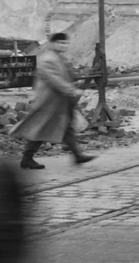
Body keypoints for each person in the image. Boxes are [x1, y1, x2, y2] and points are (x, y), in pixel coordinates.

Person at [10, 33, 94, 170]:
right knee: (41, 128)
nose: (63, 45)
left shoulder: (59, 58)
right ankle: (27, 158)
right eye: (60, 43)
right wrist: (72, 91)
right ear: (51, 43)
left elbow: (65, 76)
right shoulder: (47, 59)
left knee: (65, 127)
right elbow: (55, 80)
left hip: (58, 101)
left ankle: (77, 155)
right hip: (48, 101)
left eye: (65, 43)